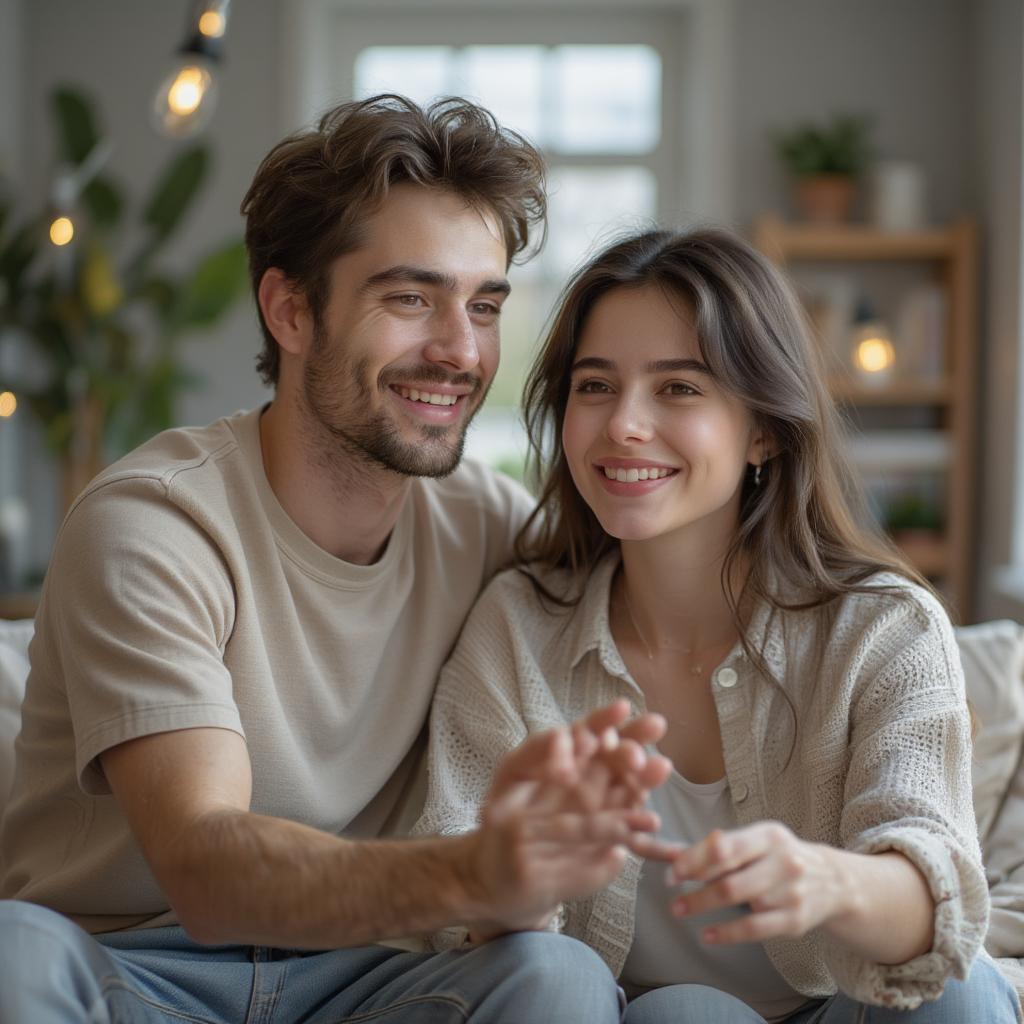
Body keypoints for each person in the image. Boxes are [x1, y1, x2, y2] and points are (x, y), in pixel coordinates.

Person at [0, 95, 673, 1023]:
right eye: (410, 297)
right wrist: (474, 870)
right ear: (290, 310)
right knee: (9, 956)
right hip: (138, 971)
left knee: (558, 977)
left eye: (482, 306)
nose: (459, 350)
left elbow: (679, 583)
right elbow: (203, 864)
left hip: (365, 982)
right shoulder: (152, 523)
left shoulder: (486, 524)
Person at [415, 227, 1023, 1022]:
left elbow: (936, 886)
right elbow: (458, 921)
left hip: (851, 1003)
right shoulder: (517, 628)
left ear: (764, 429)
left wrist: (823, 880)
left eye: (679, 388)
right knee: (686, 1015)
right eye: (595, 386)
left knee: (963, 990)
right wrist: (517, 878)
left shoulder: (885, 628)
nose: (624, 425)